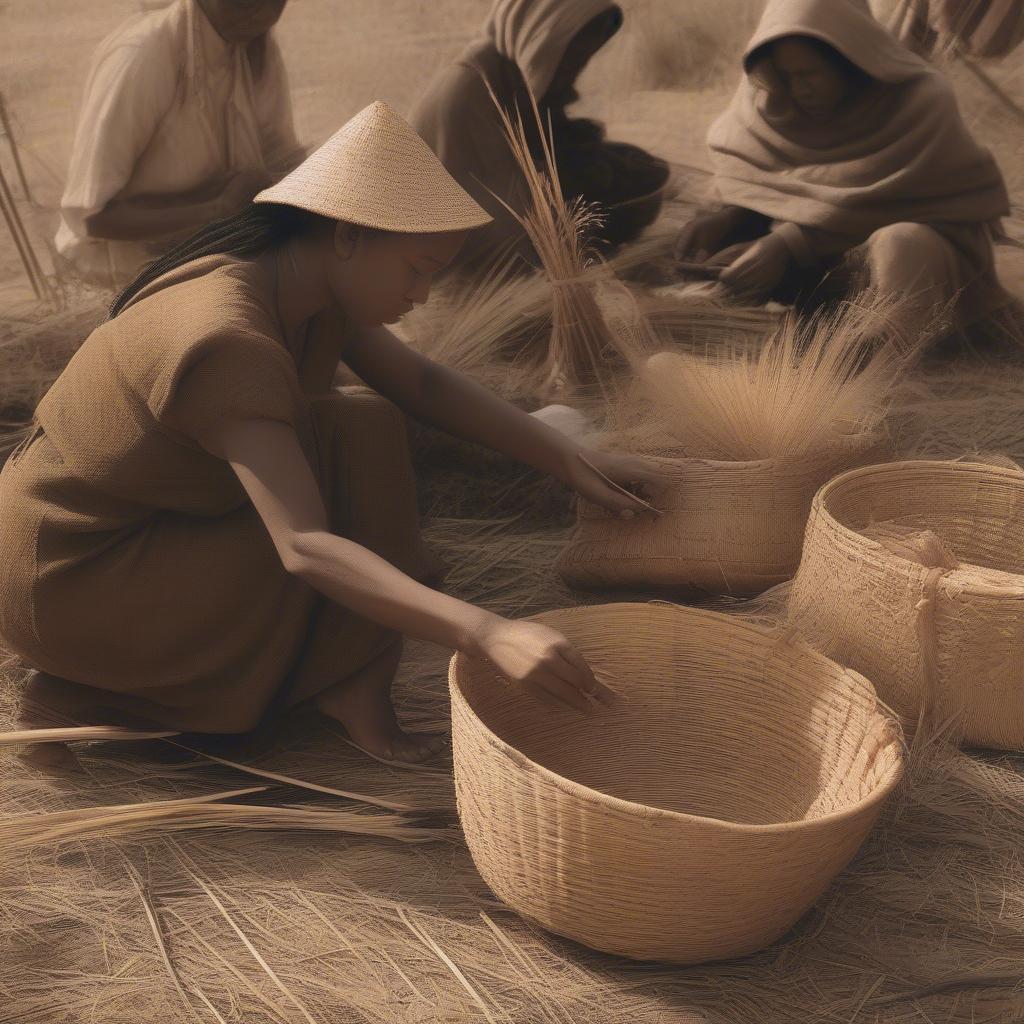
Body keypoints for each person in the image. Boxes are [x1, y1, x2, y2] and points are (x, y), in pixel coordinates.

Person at [0, 101, 661, 770]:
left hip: (125, 535)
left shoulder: (301, 286)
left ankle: (352, 688)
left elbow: (422, 387)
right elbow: (306, 546)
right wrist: (486, 632)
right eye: (416, 268)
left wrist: (571, 457)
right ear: (347, 236)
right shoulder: (230, 335)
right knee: (326, 553)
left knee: (363, 424)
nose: (424, 294)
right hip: (68, 575)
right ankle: (86, 692)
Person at [674, 0, 1011, 347]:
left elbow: (893, 201)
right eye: (786, 76)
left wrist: (789, 243)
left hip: (911, 275)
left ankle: (886, 346)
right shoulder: (774, 101)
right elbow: (767, 182)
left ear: (850, 59)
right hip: (820, 267)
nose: (798, 89)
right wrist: (731, 215)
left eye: (809, 74)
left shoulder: (921, 101)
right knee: (727, 249)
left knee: (903, 244)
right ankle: (730, 307)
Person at [55, 0, 303, 290]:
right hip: (118, 274)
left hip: (208, 253)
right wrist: (216, 209)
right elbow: (91, 219)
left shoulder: (253, 45)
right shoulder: (143, 56)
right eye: (241, 3)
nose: (262, 13)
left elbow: (280, 154)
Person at [411, 0, 670, 272]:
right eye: (570, 62)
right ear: (542, 41)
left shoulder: (502, 71)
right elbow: (507, 231)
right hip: (450, 263)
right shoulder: (469, 98)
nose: (573, 74)